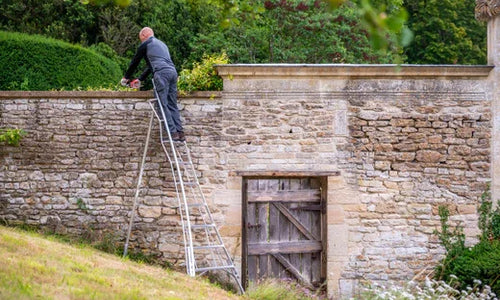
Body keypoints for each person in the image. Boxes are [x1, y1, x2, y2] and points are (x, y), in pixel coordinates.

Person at [121, 27, 184, 142]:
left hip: (162, 74)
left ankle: (172, 133)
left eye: (141, 39)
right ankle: (180, 133)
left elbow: (135, 62)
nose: (141, 42)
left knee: (161, 104)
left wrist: (126, 77)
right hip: (173, 72)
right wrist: (140, 79)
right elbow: (151, 66)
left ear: (144, 35)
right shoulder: (162, 45)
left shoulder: (146, 44)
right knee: (172, 103)